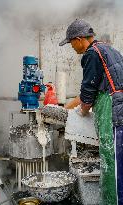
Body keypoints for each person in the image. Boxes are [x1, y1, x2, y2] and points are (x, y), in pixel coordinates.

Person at [59, 19, 123, 205]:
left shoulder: (91, 54)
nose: (72, 47)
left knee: (114, 166)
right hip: (118, 107)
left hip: (115, 113)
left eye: (71, 42)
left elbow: (88, 93)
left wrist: (82, 112)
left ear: (79, 39)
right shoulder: (109, 49)